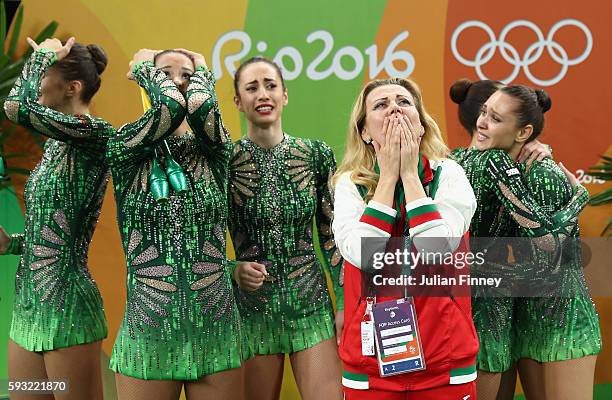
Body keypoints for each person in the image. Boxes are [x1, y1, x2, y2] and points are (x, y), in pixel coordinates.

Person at [449, 80, 600, 400]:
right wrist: (579, 198)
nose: (484, 122)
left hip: (535, 317)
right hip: (494, 317)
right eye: (484, 112)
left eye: (496, 117)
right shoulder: (491, 164)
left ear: (523, 131)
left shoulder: (458, 162)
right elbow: (550, 244)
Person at [106, 48, 243, 399]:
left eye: (188, 74)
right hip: (149, 328)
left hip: (216, 328)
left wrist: (202, 69)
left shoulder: (216, 148)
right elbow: (170, 107)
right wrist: (143, 69)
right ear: (149, 83)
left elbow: (197, 106)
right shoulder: (125, 145)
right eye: (167, 73)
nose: (180, 82)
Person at [332, 77, 479, 399]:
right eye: (381, 105)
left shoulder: (449, 175)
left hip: (446, 357)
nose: (394, 110)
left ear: (421, 125)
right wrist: (387, 177)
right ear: (365, 131)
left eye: (404, 102)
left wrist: (410, 175)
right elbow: (364, 255)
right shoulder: (348, 184)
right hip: (370, 362)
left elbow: (437, 248)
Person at [0, 37, 112, 400]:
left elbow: (15, 106)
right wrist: (12, 244)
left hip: (68, 310)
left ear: (72, 88)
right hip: (28, 309)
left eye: (44, 73)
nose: (38, 82)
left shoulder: (93, 134)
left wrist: (44, 54)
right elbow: (52, 233)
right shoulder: (55, 144)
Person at [228, 56, 344, 400]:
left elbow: (332, 236)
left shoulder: (316, 154)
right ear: (238, 102)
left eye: (270, 85)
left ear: (285, 95)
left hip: (311, 303)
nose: (262, 94)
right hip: (251, 309)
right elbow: (207, 240)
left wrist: (344, 304)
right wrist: (234, 270)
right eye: (251, 88)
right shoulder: (226, 162)